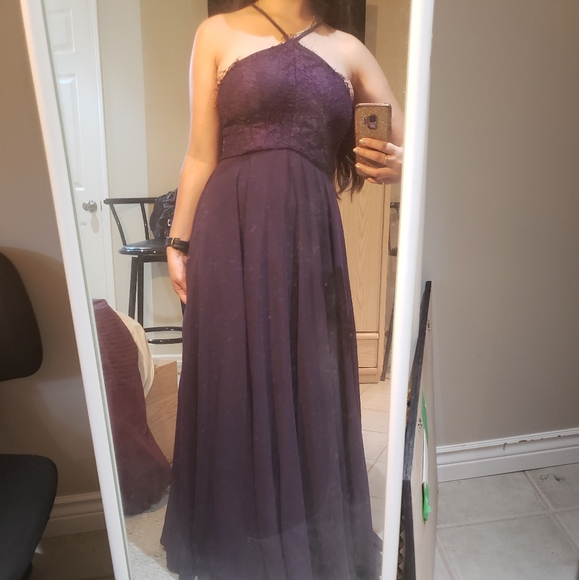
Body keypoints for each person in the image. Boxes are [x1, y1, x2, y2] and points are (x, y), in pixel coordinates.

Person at [161, 1, 403, 578]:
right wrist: (178, 239)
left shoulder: (348, 48)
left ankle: (307, 534)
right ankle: (235, 539)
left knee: (308, 375)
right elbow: (200, 152)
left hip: (309, 235)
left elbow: (406, 144)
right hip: (230, 228)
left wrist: (396, 163)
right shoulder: (215, 33)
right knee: (232, 374)